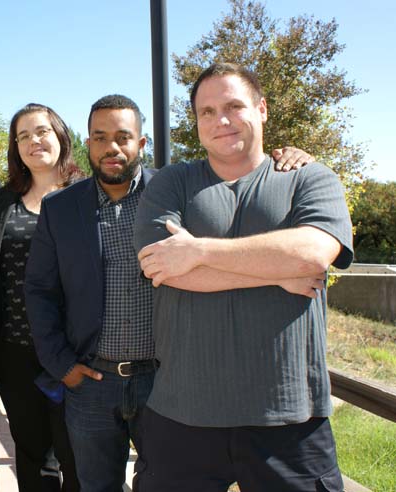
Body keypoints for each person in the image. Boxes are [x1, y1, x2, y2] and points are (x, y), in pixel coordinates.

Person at [133, 62, 353, 491]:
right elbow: (161, 266)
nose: (222, 121)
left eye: (234, 106)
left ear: (262, 108)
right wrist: (275, 272)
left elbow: (312, 254)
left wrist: (198, 251)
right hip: (182, 414)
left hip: (289, 418)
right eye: (207, 112)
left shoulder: (310, 178)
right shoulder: (173, 183)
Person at [24, 95, 157, 492]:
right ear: (87, 143)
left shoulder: (171, 193)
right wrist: (61, 365)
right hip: (92, 383)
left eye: (122, 137)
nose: (111, 148)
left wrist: (284, 158)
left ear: (142, 143)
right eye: (99, 138)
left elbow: (230, 173)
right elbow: (39, 290)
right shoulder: (60, 208)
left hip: (163, 383)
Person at [0, 103, 82, 492]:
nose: (32, 141)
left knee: (78, 454)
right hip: (15, 351)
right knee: (33, 455)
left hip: (76, 351)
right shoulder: (2, 202)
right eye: (22, 136)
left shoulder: (87, 194)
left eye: (41, 131)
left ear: (60, 135)